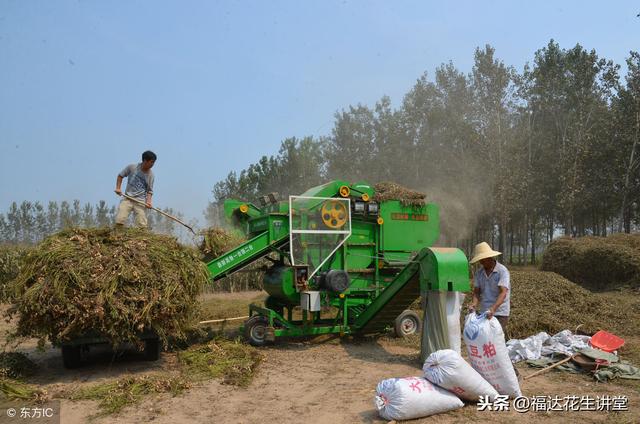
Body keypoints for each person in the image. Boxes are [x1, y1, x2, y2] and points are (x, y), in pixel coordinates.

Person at [468, 242, 511, 338]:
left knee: (496, 338)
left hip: (500, 312)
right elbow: (477, 291)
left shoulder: (502, 271)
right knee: (485, 339)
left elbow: (503, 292)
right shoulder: (479, 273)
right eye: (480, 260)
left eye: (483, 260)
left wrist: (493, 309)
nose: (481, 262)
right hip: (484, 312)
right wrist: (474, 304)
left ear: (489, 258)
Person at [114, 150, 156, 228]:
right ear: (144, 161)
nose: (152, 164)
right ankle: (117, 234)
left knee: (142, 225)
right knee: (119, 220)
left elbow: (149, 191)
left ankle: (142, 237)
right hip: (128, 198)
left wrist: (149, 202)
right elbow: (120, 176)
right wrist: (118, 188)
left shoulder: (151, 175)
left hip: (140, 202)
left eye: (153, 162)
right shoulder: (132, 167)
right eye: (151, 162)